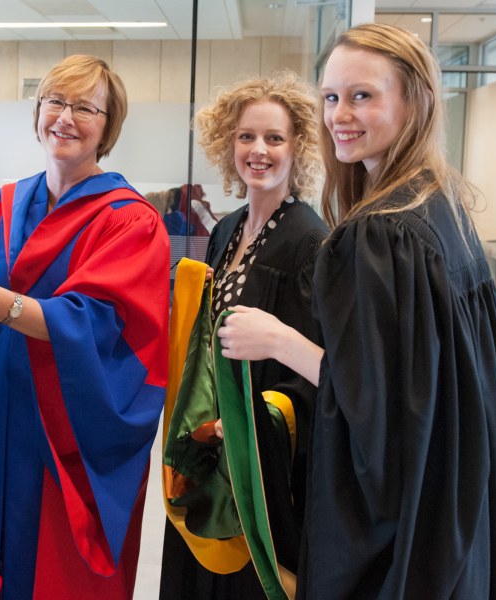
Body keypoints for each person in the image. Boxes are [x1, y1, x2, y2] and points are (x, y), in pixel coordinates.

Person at [217, 23, 496, 599]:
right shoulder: (442, 205)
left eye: (362, 96)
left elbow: (377, 408)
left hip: (403, 527)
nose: (340, 116)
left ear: (415, 101)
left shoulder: (379, 236)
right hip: (453, 499)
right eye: (331, 97)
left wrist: (281, 341)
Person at [0, 54, 171, 599]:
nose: (66, 117)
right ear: (37, 111)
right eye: (55, 101)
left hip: (64, 427)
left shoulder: (129, 220)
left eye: (86, 107)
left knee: (54, 570)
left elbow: (97, 322)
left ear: (109, 125)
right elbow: (1, 276)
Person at [160, 72, 328, 600]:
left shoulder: (309, 244)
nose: (258, 150)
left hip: (259, 461)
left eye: (274, 138)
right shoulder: (226, 228)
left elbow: (313, 373)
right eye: (246, 136)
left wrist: (247, 424)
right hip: (210, 443)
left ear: (297, 146)